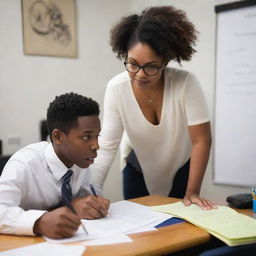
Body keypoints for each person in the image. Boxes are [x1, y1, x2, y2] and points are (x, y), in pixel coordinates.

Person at [92, 6, 215, 209]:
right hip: (136, 166)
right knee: (140, 230)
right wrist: (92, 191)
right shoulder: (116, 88)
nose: (140, 74)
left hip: (180, 166)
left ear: (165, 62)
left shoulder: (186, 84)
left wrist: (193, 191)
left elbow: (201, 140)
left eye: (150, 67)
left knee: (178, 229)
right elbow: (106, 147)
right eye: (132, 64)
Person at [0, 92, 110, 239]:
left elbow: (87, 197)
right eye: (86, 137)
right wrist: (39, 222)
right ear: (58, 137)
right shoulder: (24, 165)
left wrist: (95, 205)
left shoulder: (81, 162)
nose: (96, 145)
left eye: (97, 136)